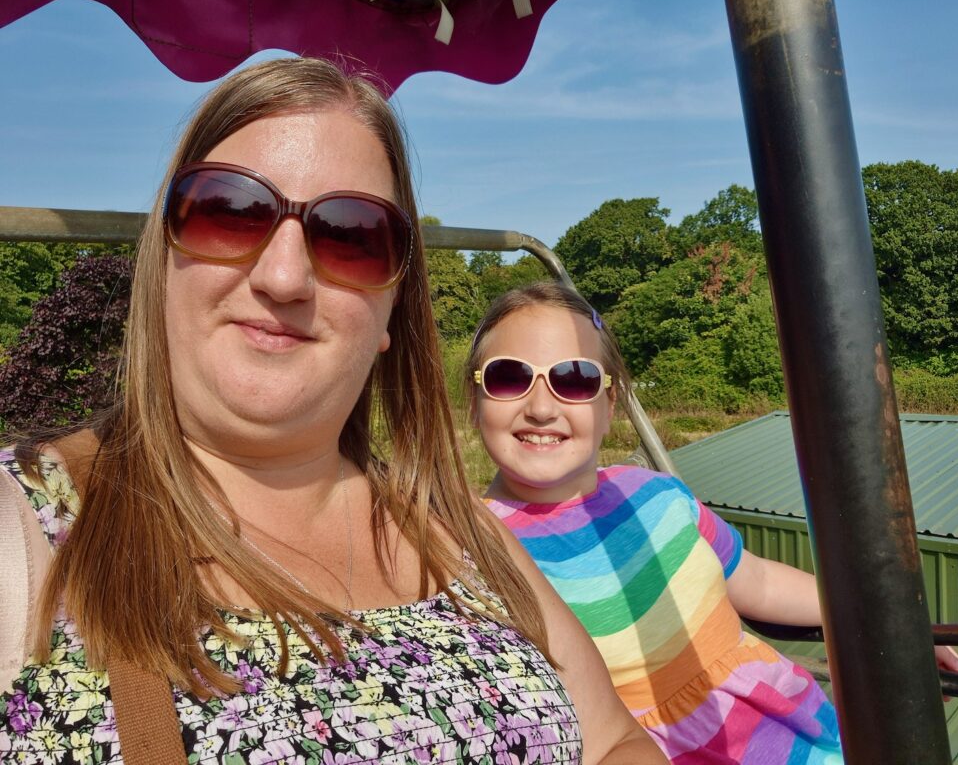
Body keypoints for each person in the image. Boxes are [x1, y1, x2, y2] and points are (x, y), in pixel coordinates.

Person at [0, 58, 667, 764]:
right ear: (164, 257)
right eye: (229, 210)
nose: (283, 276)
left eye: (350, 235)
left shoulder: (461, 528)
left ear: (390, 309)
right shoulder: (25, 529)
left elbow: (614, 739)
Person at [465, 281, 958, 764]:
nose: (540, 407)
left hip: (792, 732)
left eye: (575, 379)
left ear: (610, 404)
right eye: (508, 377)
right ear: (475, 399)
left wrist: (889, 620)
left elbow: (756, 580)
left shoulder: (657, 494)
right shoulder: (472, 546)